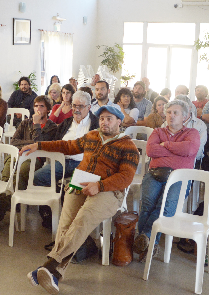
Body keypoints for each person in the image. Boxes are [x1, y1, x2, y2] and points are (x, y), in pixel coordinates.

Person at [21, 105, 139, 295]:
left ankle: (49, 265)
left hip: (109, 191)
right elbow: (67, 146)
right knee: (65, 224)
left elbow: (125, 178)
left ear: (119, 121)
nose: (104, 122)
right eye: (101, 118)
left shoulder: (128, 147)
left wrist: (99, 186)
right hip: (81, 184)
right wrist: (39, 145)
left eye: (109, 118)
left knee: (83, 219)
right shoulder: (92, 136)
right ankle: (55, 274)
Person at [0, 95, 58, 225]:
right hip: (16, 154)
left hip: (35, 159)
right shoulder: (25, 123)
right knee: (6, 177)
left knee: (19, 174)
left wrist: (36, 126)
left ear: (48, 109)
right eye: (36, 106)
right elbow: (14, 142)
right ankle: (1, 209)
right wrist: (31, 144)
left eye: (42, 106)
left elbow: (40, 144)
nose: (38, 109)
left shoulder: (52, 127)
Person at [133, 100, 200, 261]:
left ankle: (145, 237)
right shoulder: (157, 131)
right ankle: (150, 245)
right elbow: (150, 150)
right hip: (155, 173)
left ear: (185, 116)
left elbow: (190, 149)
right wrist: (177, 150)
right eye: (169, 112)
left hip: (180, 177)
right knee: (148, 205)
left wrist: (166, 145)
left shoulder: (192, 133)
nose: (171, 116)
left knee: (166, 207)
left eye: (176, 113)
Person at [34, 91, 100, 228]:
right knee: (38, 177)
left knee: (73, 189)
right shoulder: (67, 123)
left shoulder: (95, 124)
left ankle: (69, 220)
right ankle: (49, 213)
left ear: (88, 107)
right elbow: (56, 141)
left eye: (80, 106)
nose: (76, 109)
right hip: (62, 161)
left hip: (83, 164)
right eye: (74, 105)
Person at [171, 95, 208, 168]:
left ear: (190, 108)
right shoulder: (167, 123)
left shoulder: (199, 125)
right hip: (170, 160)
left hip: (191, 160)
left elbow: (198, 150)